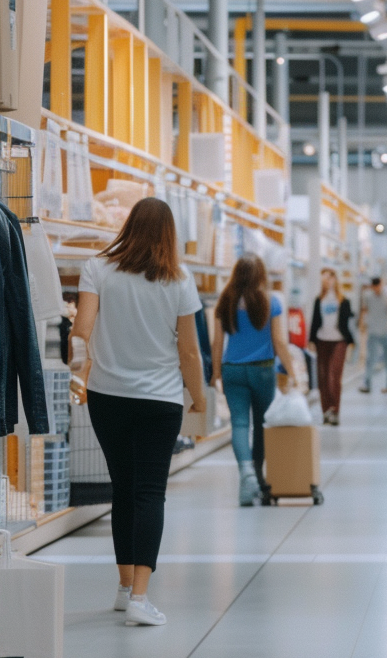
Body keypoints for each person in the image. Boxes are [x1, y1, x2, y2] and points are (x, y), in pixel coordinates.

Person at [69, 198, 207, 627]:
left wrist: (79, 372)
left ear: (128, 226)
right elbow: (188, 350)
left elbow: (81, 331)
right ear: (169, 233)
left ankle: (125, 587)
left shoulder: (97, 267)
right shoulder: (180, 279)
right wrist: (199, 398)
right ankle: (141, 600)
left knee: (123, 488)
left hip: (108, 397)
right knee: (149, 492)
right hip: (160, 400)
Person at [211, 254, 298, 507]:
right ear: (261, 275)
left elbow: (217, 343)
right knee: (261, 425)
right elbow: (280, 341)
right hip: (262, 370)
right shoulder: (271, 301)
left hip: (232, 371)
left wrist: (216, 373)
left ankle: (246, 475)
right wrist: (292, 371)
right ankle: (259, 479)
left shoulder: (224, 301)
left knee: (239, 424)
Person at [310, 268, 354, 425]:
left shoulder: (343, 301)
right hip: (322, 340)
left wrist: (351, 341)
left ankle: (335, 410)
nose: (327, 281)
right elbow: (315, 321)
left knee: (334, 375)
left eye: (329, 278)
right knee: (322, 376)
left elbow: (348, 322)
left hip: (339, 340)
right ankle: (326, 410)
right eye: (324, 278)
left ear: (335, 279)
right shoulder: (319, 300)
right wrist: (311, 340)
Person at [357, 277, 387, 394]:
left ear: (381, 284)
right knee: (371, 358)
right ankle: (367, 384)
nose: (376, 290)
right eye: (374, 288)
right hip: (374, 331)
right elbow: (365, 309)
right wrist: (362, 323)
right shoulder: (368, 295)